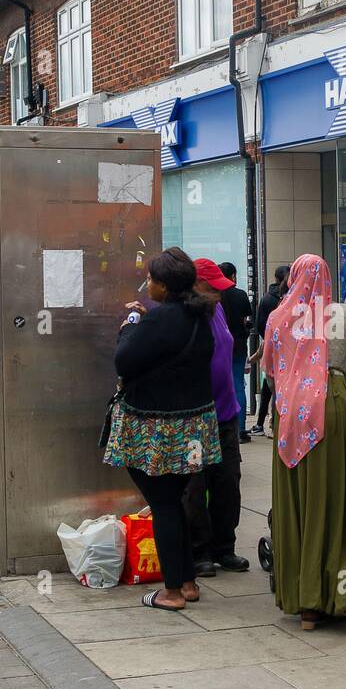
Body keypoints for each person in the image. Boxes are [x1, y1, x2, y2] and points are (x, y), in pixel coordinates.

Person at [104, 247, 222, 612]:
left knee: (163, 503)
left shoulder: (158, 320)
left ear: (164, 286)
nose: (147, 285)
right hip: (194, 427)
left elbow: (124, 361)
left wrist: (129, 327)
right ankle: (187, 582)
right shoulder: (199, 315)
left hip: (156, 428)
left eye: (150, 280)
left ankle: (171, 592)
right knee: (173, 498)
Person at [264, 253, 346, 630]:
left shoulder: (278, 317)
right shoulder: (345, 315)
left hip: (291, 410)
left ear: (293, 278)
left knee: (297, 501)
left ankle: (304, 602)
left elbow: (269, 373)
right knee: (337, 499)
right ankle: (340, 594)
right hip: (334, 403)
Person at [183, 258, 249, 576]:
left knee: (228, 483)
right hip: (196, 419)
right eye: (213, 288)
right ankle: (200, 552)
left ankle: (225, 547)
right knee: (196, 487)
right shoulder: (186, 317)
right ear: (197, 287)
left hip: (226, 414)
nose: (219, 294)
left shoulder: (218, 309)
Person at [249, 265, 289, 438]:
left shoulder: (266, 298)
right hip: (288, 351)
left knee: (269, 385)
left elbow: (259, 325)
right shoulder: (291, 298)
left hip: (270, 348)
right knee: (278, 388)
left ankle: (261, 423)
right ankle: (274, 424)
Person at [216, 262, 253, 442]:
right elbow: (246, 320)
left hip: (219, 346)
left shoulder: (214, 296)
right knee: (238, 385)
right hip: (238, 345)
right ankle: (241, 429)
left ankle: (222, 426)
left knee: (220, 386)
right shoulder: (240, 294)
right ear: (233, 276)